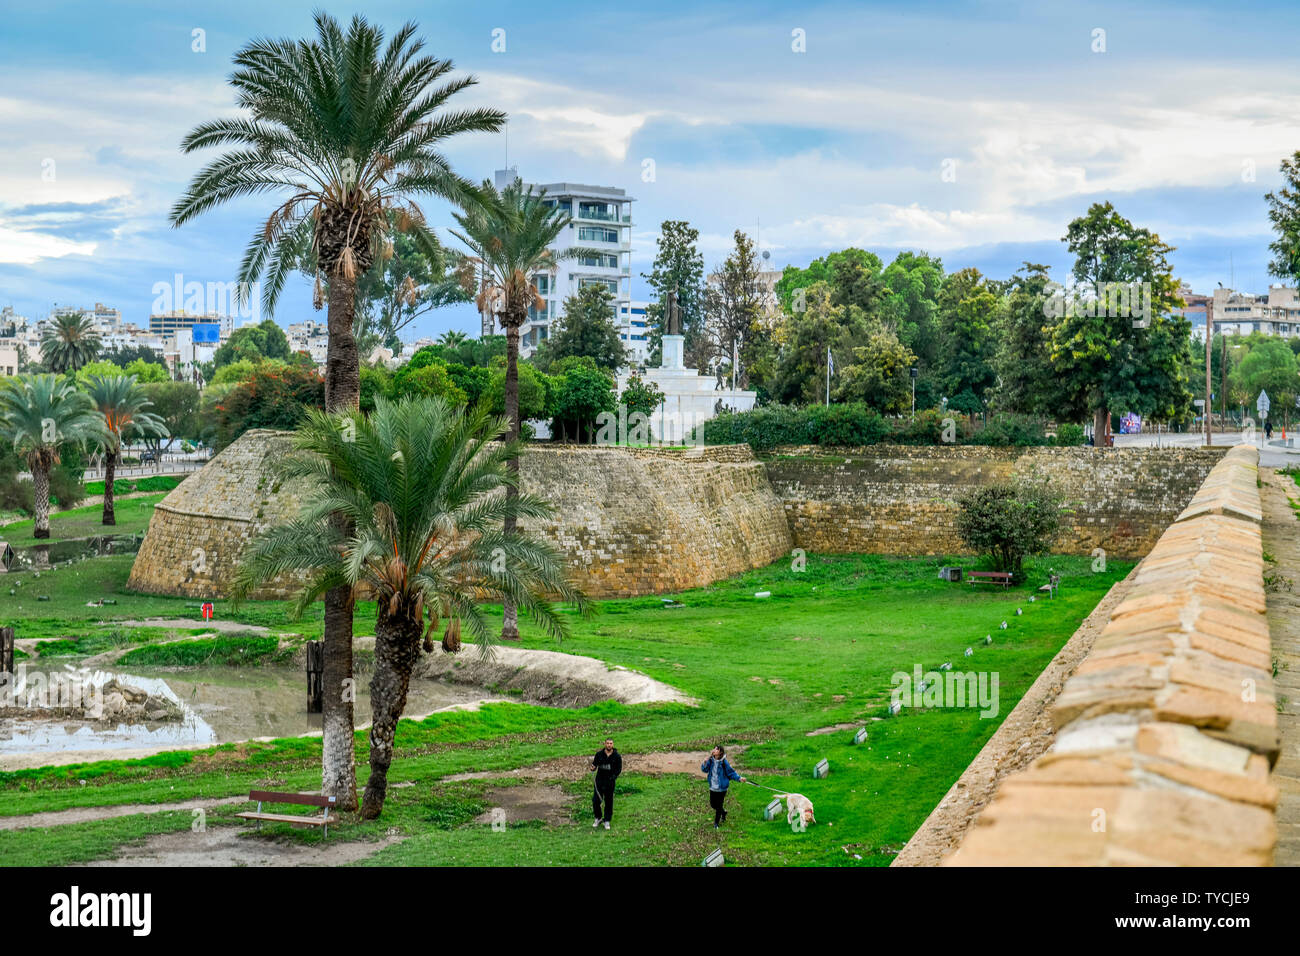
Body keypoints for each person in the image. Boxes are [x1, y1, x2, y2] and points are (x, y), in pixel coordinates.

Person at [700, 745, 745, 828]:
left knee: (719, 805)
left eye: (717, 749)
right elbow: (704, 770)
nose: (714, 750)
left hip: (722, 788)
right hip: (713, 787)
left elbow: (731, 773)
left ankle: (716, 824)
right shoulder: (710, 760)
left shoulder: (724, 762)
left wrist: (739, 778)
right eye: (714, 748)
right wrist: (705, 762)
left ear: (720, 752)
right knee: (713, 804)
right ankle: (723, 812)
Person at [589, 738, 622, 830]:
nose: (609, 745)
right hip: (599, 781)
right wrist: (593, 768)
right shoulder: (599, 755)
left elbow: (618, 769)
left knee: (608, 801)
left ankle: (607, 820)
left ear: (613, 744)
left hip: (610, 783)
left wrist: (613, 778)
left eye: (611, 743)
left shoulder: (617, 756)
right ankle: (598, 818)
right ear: (605, 744)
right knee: (595, 800)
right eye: (607, 743)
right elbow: (594, 765)